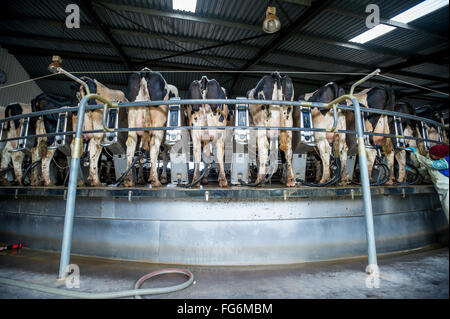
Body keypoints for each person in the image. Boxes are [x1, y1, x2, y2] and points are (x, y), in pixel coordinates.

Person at [407, 144, 449, 222]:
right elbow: (426, 172)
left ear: (438, 156)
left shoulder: (445, 162)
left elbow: (430, 164)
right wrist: (409, 169)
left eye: (431, 154)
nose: (429, 155)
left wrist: (416, 154)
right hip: (443, 192)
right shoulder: (436, 162)